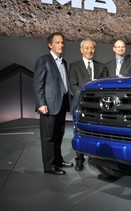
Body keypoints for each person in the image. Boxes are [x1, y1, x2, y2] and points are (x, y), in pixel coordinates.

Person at [33, 32, 73, 175]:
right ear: (50, 45)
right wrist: (41, 103)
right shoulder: (43, 60)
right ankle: (49, 166)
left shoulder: (64, 61)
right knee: (48, 137)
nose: (61, 45)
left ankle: (58, 160)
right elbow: (38, 84)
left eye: (62, 42)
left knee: (59, 134)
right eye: (57, 42)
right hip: (48, 106)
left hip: (61, 104)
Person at [69, 38, 108, 171]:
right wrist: (87, 97)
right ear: (81, 50)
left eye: (92, 48)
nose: (89, 50)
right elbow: (73, 86)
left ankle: (99, 159)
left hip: (98, 108)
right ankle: (79, 160)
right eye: (86, 48)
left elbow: (105, 87)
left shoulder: (101, 67)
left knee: (99, 133)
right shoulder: (74, 66)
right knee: (79, 132)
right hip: (80, 106)